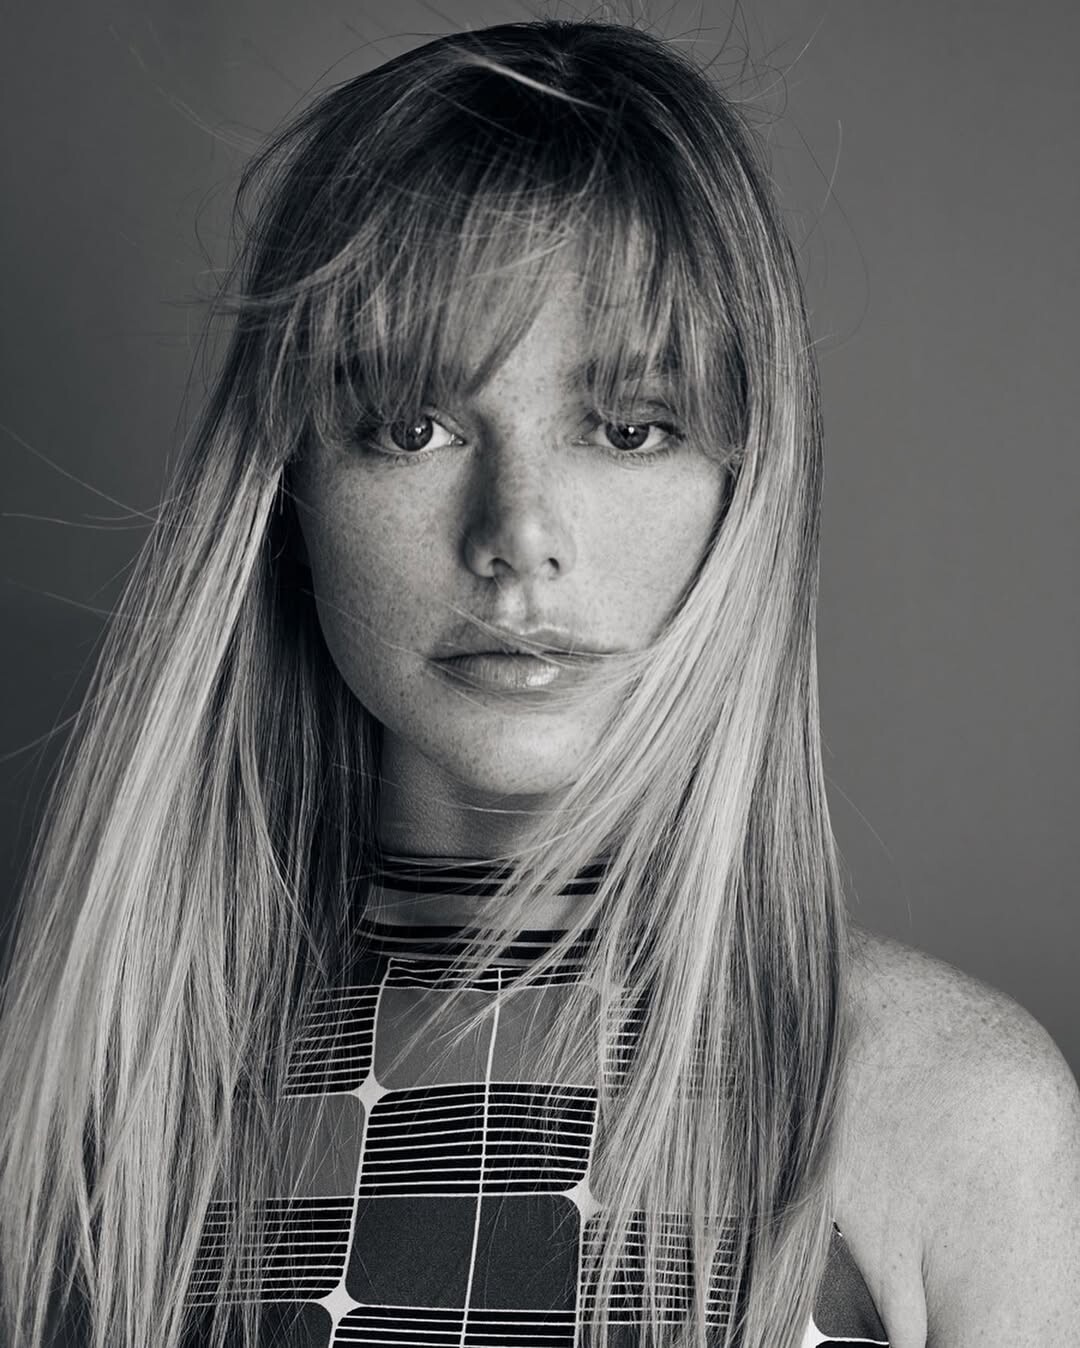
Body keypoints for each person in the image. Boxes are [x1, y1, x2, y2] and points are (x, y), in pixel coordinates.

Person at [1, 16, 1077, 1348]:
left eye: (628, 426)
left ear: (747, 490)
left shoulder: (953, 1114)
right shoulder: (82, 1115)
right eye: (413, 425)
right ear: (286, 493)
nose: (519, 535)